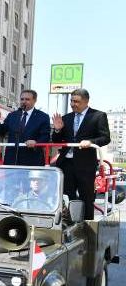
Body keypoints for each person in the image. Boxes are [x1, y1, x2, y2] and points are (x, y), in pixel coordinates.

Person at [52, 88, 111, 220]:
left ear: (86, 101)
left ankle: (87, 226)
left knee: (86, 197)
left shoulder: (98, 116)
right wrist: (57, 129)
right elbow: (56, 140)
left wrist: (90, 142)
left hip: (85, 164)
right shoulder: (66, 118)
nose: (73, 104)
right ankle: (69, 223)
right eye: (72, 101)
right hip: (66, 163)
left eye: (76, 101)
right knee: (66, 196)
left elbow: (105, 138)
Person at [0, 89, 51, 166]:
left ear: (34, 100)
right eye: (22, 99)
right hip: (11, 160)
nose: (24, 101)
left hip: (32, 160)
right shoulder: (12, 115)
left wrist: (36, 142)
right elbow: (2, 132)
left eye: (27, 99)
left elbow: (45, 136)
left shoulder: (43, 117)